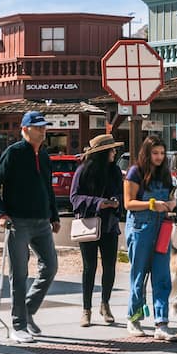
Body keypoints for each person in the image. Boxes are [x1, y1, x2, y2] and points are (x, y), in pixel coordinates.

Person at [0, 111, 60, 344]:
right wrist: (1, 215)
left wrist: (55, 216)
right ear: (25, 129)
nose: (43, 130)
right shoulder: (14, 153)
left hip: (42, 222)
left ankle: (27, 311)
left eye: (44, 127)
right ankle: (18, 325)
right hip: (17, 222)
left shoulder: (45, 156)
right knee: (19, 274)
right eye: (38, 127)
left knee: (50, 267)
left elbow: (48, 189)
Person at [123, 135, 177, 341]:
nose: (159, 157)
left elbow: (172, 197)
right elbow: (128, 203)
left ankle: (161, 323)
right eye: (155, 153)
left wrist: (172, 204)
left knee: (162, 275)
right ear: (147, 153)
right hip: (140, 228)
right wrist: (151, 204)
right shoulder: (135, 172)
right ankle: (134, 317)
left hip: (162, 228)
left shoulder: (165, 174)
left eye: (162, 153)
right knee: (139, 275)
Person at [70, 134, 124, 327]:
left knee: (109, 267)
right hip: (89, 226)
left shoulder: (115, 171)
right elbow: (74, 198)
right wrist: (99, 203)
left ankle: (105, 304)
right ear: (102, 153)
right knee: (89, 267)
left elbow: (121, 193)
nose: (115, 152)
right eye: (111, 150)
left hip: (109, 225)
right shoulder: (82, 171)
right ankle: (86, 309)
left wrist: (116, 201)